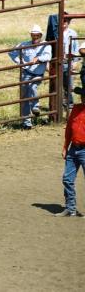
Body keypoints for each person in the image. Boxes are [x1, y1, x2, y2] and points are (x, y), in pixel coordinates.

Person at [8, 25, 52, 130]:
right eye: (33, 35)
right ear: (31, 35)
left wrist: (38, 59)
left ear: (41, 35)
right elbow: (11, 53)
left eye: (37, 35)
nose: (35, 37)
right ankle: (26, 123)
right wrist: (20, 62)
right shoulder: (24, 44)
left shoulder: (46, 45)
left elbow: (48, 56)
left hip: (38, 73)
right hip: (26, 72)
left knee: (33, 87)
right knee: (25, 97)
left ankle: (35, 107)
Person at [56, 86, 85, 217]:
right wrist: (65, 147)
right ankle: (70, 208)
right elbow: (69, 129)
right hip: (73, 148)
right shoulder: (76, 109)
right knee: (67, 179)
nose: (83, 98)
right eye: (82, 96)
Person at [62, 15, 79, 108]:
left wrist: (75, 61)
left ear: (68, 22)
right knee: (57, 84)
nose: (64, 23)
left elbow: (76, 48)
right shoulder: (56, 33)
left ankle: (70, 103)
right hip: (58, 61)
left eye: (66, 21)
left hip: (69, 61)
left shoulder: (73, 33)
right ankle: (60, 103)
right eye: (62, 20)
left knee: (68, 83)